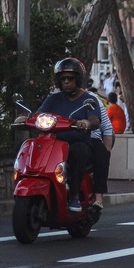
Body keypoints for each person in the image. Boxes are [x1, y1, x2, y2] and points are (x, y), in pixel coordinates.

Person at [15, 58, 100, 212]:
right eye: (63, 79)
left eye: (70, 78)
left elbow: (94, 119)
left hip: (76, 142)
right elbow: (38, 115)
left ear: (78, 79)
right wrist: (25, 118)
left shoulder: (89, 99)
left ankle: (74, 195)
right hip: (53, 143)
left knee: (78, 152)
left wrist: (87, 123)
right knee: (22, 147)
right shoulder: (53, 99)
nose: (66, 82)